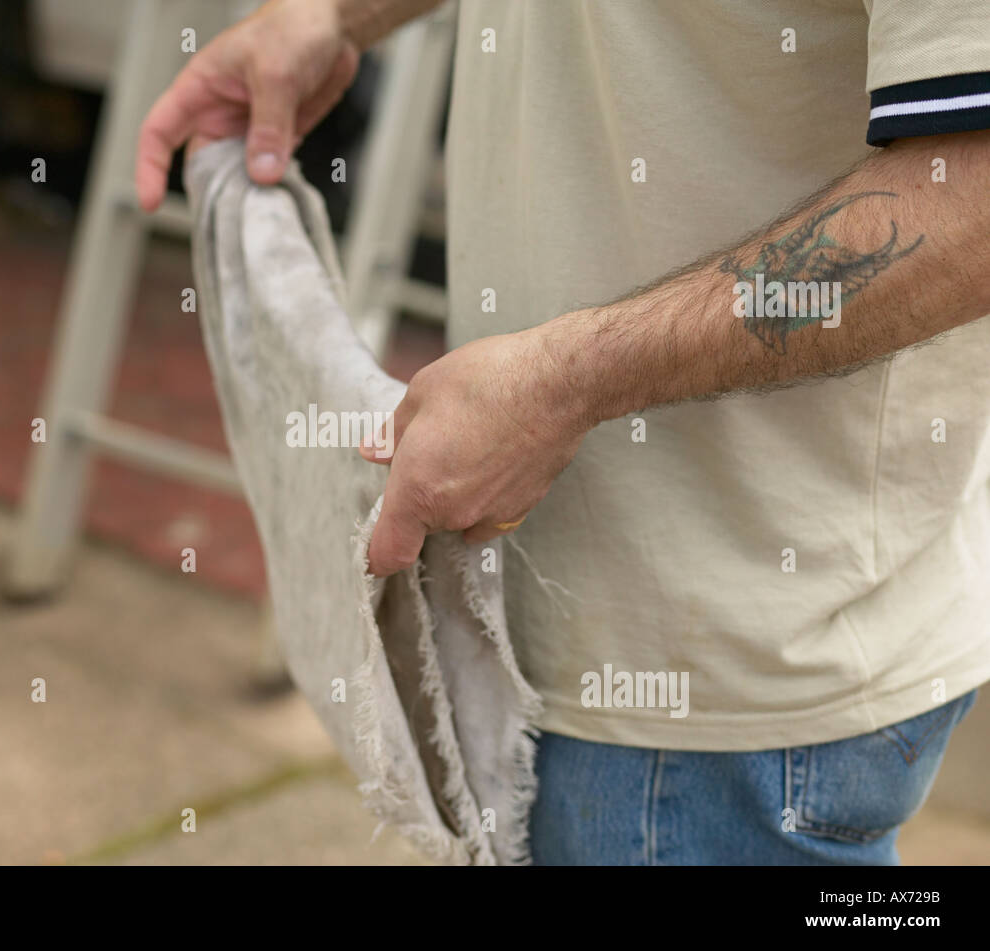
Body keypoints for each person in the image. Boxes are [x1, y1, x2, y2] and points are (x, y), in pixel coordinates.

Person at [137, 0, 990, 864]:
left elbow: (975, 203)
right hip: (592, 635)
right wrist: (335, 15)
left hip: (716, 701)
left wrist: (568, 379)